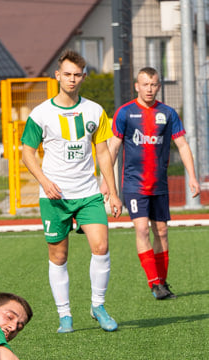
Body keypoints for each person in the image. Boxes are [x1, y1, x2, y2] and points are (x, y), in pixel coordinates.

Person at [21, 50, 123, 334]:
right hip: (55, 197)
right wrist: (44, 181)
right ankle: (65, 315)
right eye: (67, 74)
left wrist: (112, 193)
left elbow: (103, 153)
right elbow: (27, 153)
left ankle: (98, 306)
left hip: (88, 193)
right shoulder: (41, 113)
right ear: (57, 76)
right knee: (59, 256)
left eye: (77, 75)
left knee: (101, 247)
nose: (72, 79)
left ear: (84, 77)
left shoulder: (95, 111)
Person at [105, 67, 200, 300]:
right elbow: (113, 149)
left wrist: (193, 177)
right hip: (134, 185)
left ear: (159, 86)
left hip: (159, 185)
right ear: (137, 86)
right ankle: (154, 283)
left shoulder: (167, 113)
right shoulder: (125, 113)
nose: (149, 89)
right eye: (145, 84)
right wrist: (106, 182)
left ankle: (163, 282)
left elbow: (183, 145)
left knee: (162, 232)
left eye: (153, 84)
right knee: (141, 229)